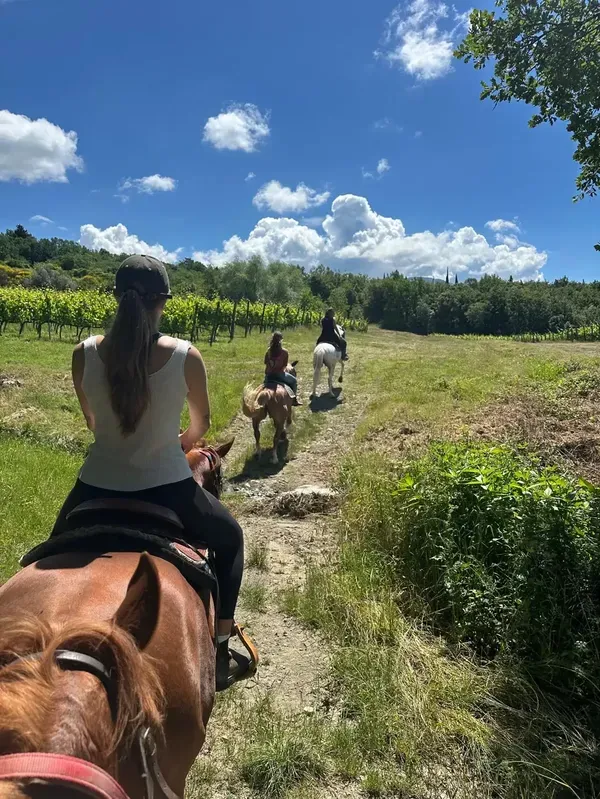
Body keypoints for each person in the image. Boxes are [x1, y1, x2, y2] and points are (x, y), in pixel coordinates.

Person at [51, 254, 245, 692]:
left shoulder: (83, 354)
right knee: (231, 539)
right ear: (162, 303)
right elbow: (201, 427)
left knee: (48, 552)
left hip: (94, 484)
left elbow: (94, 425)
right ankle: (218, 647)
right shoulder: (184, 356)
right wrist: (176, 444)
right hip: (168, 488)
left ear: (117, 299)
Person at [264, 331, 302, 405]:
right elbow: (284, 365)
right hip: (279, 375)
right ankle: (294, 400)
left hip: (269, 376)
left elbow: (266, 363)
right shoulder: (285, 352)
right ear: (281, 340)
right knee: (294, 381)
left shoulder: (268, 351)